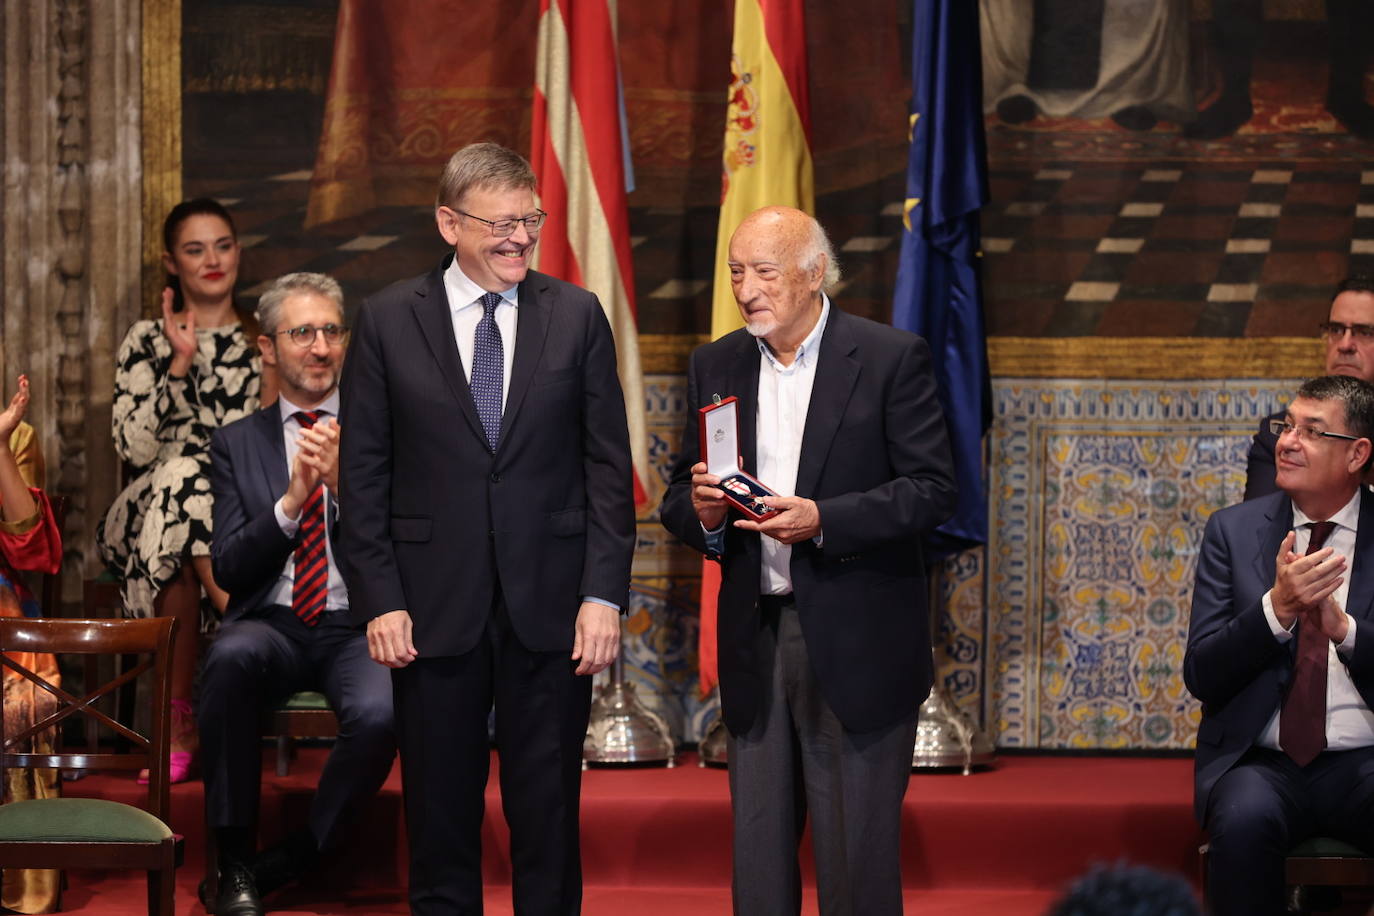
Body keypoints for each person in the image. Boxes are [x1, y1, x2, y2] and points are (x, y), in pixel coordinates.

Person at [338, 142, 635, 915]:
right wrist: (379, 598)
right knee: (439, 820)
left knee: (548, 821)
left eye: (529, 220)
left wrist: (604, 595)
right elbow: (363, 477)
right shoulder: (385, 322)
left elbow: (608, 469)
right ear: (448, 223)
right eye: (499, 223)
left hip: (554, 607)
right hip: (430, 611)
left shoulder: (575, 316)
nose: (519, 238)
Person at [659, 206, 958, 914]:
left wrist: (826, 519)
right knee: (758, 865)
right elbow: (684, 486)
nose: (746, 288)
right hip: (756, 640)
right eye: (736, 271)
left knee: (856, 866)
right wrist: (699, 511)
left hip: (859, 640)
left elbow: (934, 491)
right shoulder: (717, 362)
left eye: (764, 271)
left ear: (813, 272)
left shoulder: (888, 357)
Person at [202, 273, 395, 916]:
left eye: (331, 331)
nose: (319, 347)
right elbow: (228, 567)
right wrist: (291, 502)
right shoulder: (236, 443)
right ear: (268, 348)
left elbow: (409, 546)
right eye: (301, 332)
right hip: (273, 622)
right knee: (229, 659)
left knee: (383, 708)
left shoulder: (382, 432)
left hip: (357, 622)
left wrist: (344, 488)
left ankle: (290, 857)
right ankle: (233, 859)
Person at [1186, 374, 1374, 916]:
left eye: (1312, 431)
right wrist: (1278, 610)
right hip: (1261, 762)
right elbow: (1202, 673)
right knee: (1243, 822)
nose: (1287, 442)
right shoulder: (1232, 531)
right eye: (1286, 426)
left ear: (1357, 454)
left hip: (1366, 758)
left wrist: (1346, 632)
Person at [96, 198, 266, 783]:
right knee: (183, 475)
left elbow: (278, 444)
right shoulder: (147, 339)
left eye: (222, 245)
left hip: (241, 511)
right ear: (172, 263)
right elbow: (135, 451)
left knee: (199, 485)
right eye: (195, 249)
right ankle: (243, 628)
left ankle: (179, 718)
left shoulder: (262, 343)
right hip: (146, 512)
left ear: (238, 252)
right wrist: (178, 363)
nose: (212, 260)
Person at [0, 374, 63, 914]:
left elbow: (30, 549)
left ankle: (21, 878)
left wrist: (0, 444)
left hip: (3, 612)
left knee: (26, 688)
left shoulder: (17, 435)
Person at [1245, 276, 1374, 501]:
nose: (1344, 345)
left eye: (1364, 332)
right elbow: (1260, 527)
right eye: (1336, 329)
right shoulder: (1280, 434)